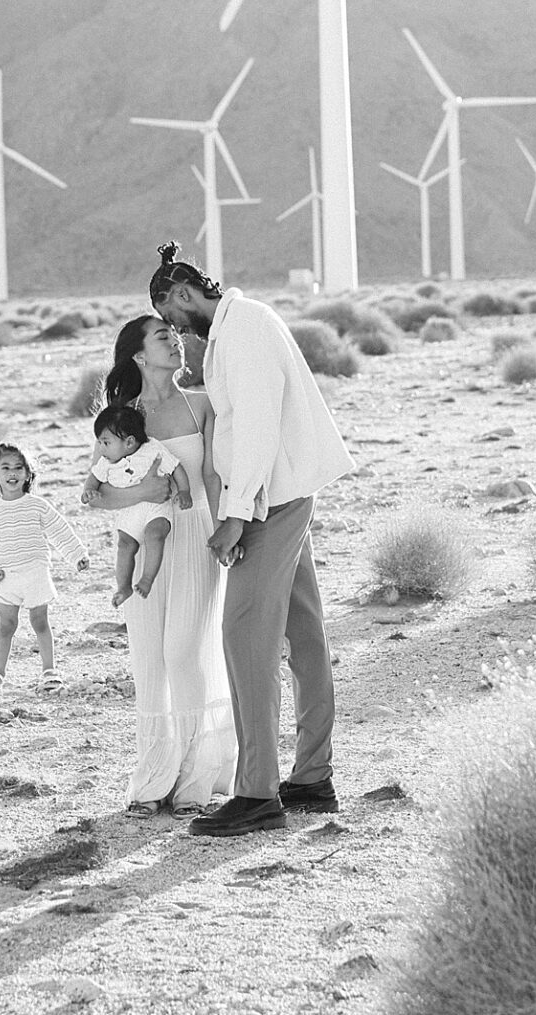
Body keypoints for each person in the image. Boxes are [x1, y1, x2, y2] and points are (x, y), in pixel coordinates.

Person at [149, 242, 355, 837]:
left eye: (170, 314)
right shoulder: (236, 330)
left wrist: (236, 514)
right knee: (304, 634)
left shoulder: (245, 331)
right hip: (277, 494)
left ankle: (258, 792)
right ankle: (313, 778)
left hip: (269, 503)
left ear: (185, 293)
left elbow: (260, 425)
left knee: (245, 639)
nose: (173, 329)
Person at [87, 313, 236, 818]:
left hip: (195, 540)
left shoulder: (202, 405)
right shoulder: (120, 418)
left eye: (176, 337)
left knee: (183, 654)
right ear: (137, 355)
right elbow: (98, 495)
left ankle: (194, 782)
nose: (175, 344)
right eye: (162, 338)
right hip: (137, 542)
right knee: (150, 661)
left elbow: (212, 478)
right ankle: (152, 783)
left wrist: (226, 532)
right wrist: (147, 492)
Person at [0, 443, 90, 694]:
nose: (12, 473)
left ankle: (50, 671)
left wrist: (77, 555)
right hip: (7, 577)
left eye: (18, 467)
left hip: (36, 573)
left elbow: (60, 532)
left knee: (40, 622)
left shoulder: (37, 505)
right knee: (6, 626)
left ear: (28, 474)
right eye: (5, 467)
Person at [87, 402, 189, 608]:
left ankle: (147, 579)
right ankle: (123, 586)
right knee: (125, 545)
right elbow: (93, 478)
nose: (101, 448)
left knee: (155, 534)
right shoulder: (107, 462)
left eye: (105, 442)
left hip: (156, 508)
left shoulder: (152, 449)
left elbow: (176, 467)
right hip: (130, 509)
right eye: (99, 442)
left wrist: (185, 490)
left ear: (130, 442)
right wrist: (88, 491)